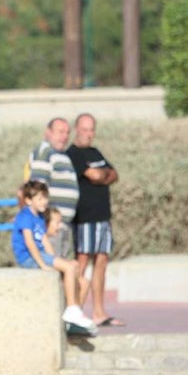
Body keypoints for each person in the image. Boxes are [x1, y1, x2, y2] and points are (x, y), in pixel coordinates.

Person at [12, 180, 96, 333]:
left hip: (40, 255)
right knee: (69, 267)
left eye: (45, 197)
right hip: (29, 258)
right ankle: (71, 309)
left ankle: (74, 321)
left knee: (82, 279)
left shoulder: (39, 216)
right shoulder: (25, 216)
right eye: (39, 198)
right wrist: (43, 265)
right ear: (28, 200)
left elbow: (44, 241)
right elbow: (30, 243)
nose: (44, 201)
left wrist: (56, 260)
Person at [66, 113, 123, 327]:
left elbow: (113, 174)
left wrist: (103, 175)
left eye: (91, 129)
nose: (89, 134)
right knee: (82, 263)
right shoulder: (73, 154)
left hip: (103, 217)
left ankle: (99, 312)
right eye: (85, 129)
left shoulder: (95, 152)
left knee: (101, 262)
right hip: (85, 218)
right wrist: (102, 175)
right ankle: (76, 312)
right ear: (77, 129)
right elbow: (96, 176)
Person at [27, 117, 79, 260]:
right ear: (48, 132)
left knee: (63, 266)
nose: (65, 136)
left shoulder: (61, 154)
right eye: (60, 132)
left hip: (62, 225)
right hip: (51, 227)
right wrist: (47, 221)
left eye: (67, 133)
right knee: (53, 265)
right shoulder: (45, 152)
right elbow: (38, 190)